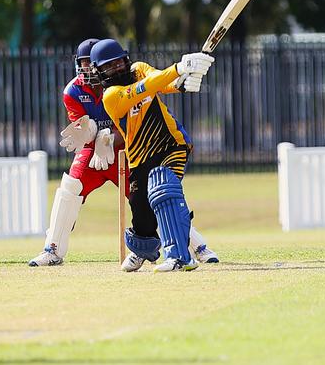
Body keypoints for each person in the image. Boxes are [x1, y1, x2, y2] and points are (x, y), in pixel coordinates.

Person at [29, 38, 218, 266]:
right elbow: (80, 131)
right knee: (71, 186)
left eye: (94, 63)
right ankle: (53, 249)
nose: (89, 68)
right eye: (86, 63)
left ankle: (197, 246)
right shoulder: (73, 92)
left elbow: (144, 97)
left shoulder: (131, 75)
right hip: (94, 153)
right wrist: (91, 135)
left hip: (128, 148)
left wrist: (180, 80)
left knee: (155, 196)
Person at [89, 38, 216, 271]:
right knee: (141, 211)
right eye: (109, 66)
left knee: (164, 189)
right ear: (100, 72)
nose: (116, 68)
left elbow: (162, 82)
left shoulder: (139, 69)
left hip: (172, 143)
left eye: (119, 62)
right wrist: (179, 69)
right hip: (139, 157)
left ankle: (179, 257)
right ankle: (142, 249)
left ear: (126, 60)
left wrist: (183, 81)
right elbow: (146, 87)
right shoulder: (111, 96)